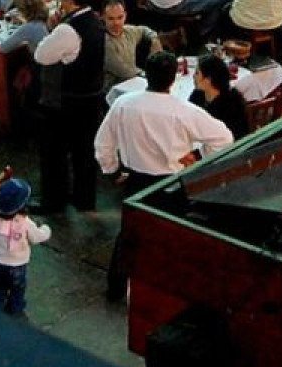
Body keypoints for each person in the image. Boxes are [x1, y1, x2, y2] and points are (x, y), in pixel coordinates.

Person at [95, 50, 234, 300]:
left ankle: (116, 288)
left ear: (147, 75)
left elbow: (103, 144)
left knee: (129, 235)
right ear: (173, 79)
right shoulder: (183, 111)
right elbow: (224, 137)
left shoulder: (123, 104)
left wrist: (113, 171)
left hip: (136, 180)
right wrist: (199, 157)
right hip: (171, 183)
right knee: (170, 236)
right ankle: (165, 290)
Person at [32, 0, 107, 213]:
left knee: (54, 153)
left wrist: (54, 29)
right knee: (84, 153)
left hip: (67, 101)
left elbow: (41, 55)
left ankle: (54, 201)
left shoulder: (68, 29)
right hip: (92, 97)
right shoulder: (95, 21)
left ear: (68, 0)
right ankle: (84, 199)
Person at [0, 176, 51, 318]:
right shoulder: (26, 223)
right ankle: (14, 311)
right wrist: (46, 229)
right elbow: (37, 238)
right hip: (18, 267)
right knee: (17, 292)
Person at [100, 0, 160, 86]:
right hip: (113, 90)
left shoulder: (129, 31)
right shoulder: (102, 41)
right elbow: (124, 71)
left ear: (125, 15)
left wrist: (154, 40)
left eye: (120, 17)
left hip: (134, 84)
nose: (116, 23)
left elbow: (145, 30)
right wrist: (150, 73)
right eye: (111, 18)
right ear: (103, 17)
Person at [189, 53, 249, 140]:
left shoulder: (233, 103)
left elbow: (235, 136)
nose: (193, 76)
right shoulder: (198, 95)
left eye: (197, 73)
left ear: (208, 80)